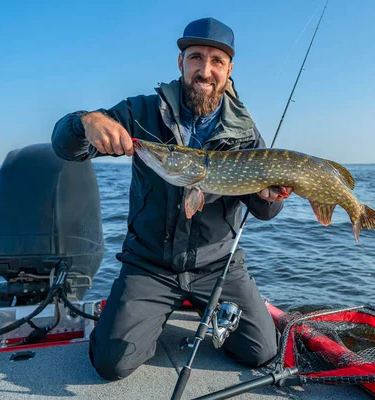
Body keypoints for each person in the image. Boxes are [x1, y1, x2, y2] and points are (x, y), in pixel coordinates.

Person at [51, 17, 292, 381]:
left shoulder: (245, 133)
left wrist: (270, 194)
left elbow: (266, 210)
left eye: (216, 61)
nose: (205, 70)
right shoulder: (142, 111)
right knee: (111, 364)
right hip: (150, 264)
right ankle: (143, 315)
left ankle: (202, 309)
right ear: (180, 62)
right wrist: (86, 121)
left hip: (218, 266)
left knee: (261, 352)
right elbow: (65, 148)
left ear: (229, 69)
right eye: (196, 57)